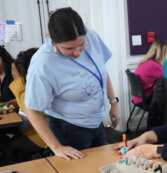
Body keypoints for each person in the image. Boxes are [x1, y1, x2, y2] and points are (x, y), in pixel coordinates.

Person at [25, 7, 120, 160]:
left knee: (101, 164)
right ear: (53, 40)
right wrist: (56, 147)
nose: (77, 52)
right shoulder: (43, 63)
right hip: (68, 127)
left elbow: (101, 71)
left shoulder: (92, 37)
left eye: (81, 44)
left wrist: (114, 102)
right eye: (68, 48)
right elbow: (32, 111)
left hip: (96, 121)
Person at [2, 48, 48, 164]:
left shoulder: (42, 82)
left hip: (46, 131)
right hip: (36, 126)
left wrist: (18, 82)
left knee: (11, 148)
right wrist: (12, 103)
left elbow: (32, 108)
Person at [133, 40, 167, 104]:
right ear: (164, 53)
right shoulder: (153, 66)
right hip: (146, 99)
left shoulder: (146, 62)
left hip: (138, 97)